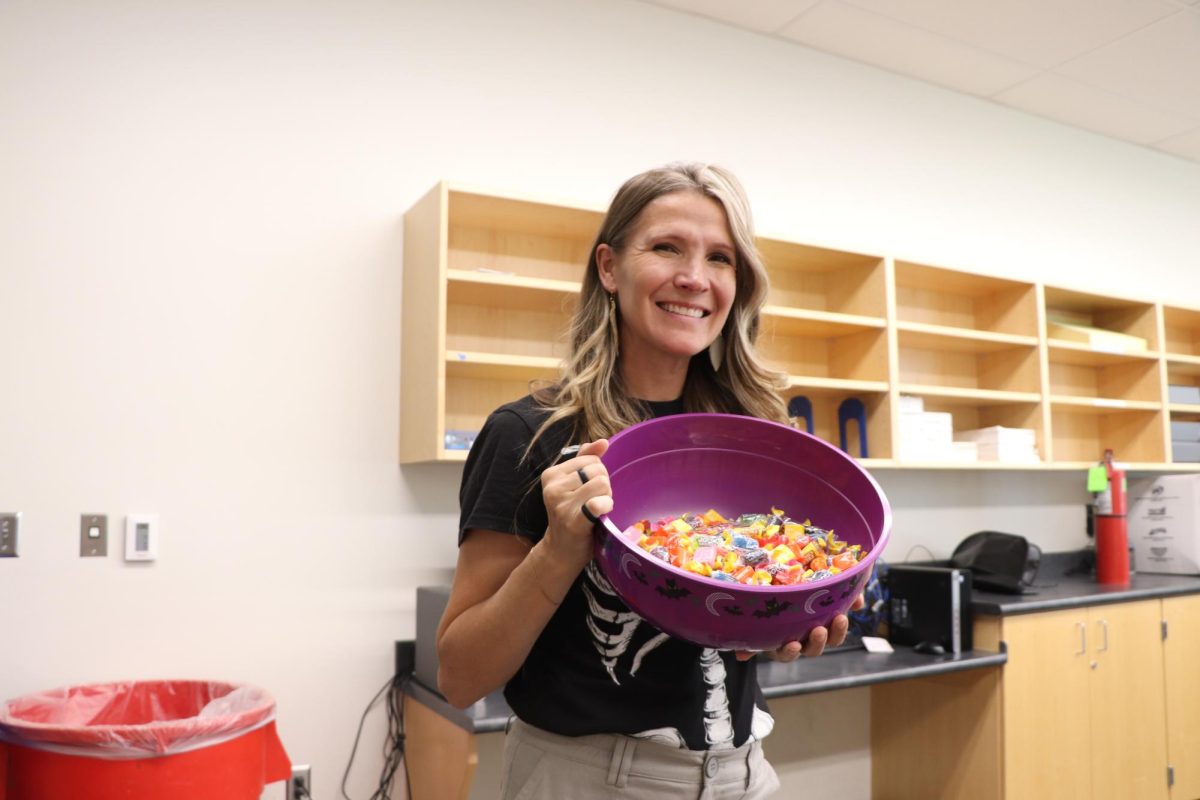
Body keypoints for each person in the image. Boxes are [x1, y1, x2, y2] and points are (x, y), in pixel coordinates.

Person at [436, 162, 860, 799]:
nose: (694, 277)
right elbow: (460, 675)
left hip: (745, 772)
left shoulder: (751, 436)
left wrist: (793, 619)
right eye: (667, 247)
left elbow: (743, 616)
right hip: (588, 779)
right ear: (609, 267)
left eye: (720, 258)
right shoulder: (530, 434)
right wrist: (558, 549)